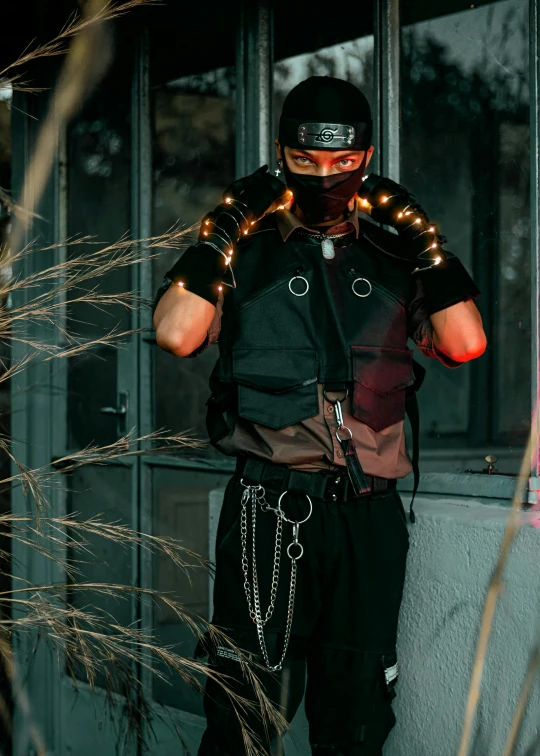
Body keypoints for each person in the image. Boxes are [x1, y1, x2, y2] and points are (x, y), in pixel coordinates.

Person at [153, 76, 486, 756]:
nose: (325, 178)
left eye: (342, 163)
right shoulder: (247, 251)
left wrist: (423, 236)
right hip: (271, 508)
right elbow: (177, 333)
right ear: (282, 155)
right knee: (248, 711)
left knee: (359, 713)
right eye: (307, 161)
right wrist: (222, 229)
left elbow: (465, 341)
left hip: (369, 515)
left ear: (364, 159)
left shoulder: (395, 254)